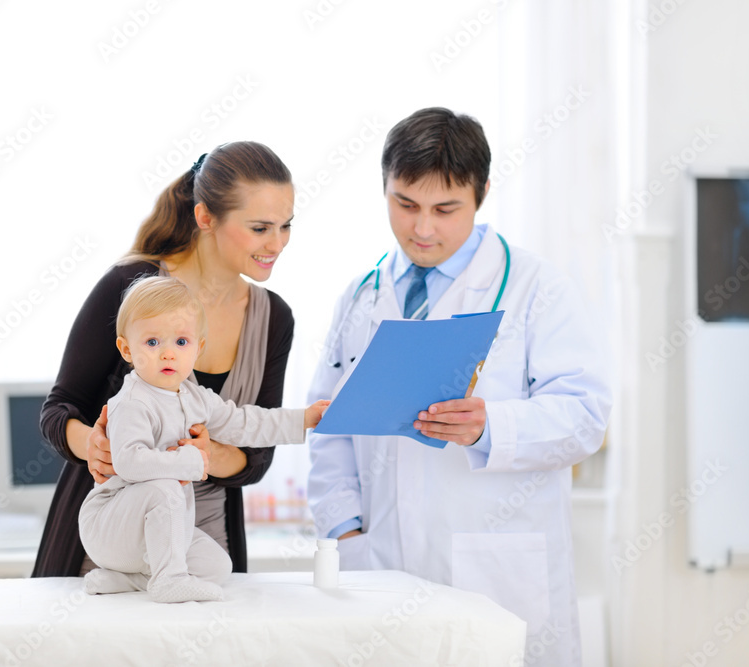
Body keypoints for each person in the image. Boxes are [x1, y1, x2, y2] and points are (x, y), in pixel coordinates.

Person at [306, 108, 612, 666]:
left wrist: (490, 426)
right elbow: (327, 425)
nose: (423, 228)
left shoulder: (536, 288)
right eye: (405, 204)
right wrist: (345, 531)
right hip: (380, 569)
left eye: (445, 209)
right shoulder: (360, 296)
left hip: (497, 573)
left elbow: (585, 417)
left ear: (482, 193)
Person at [33, 142, 297, 578]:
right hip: (112, 543)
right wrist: (95, 447)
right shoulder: (130, 285)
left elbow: (257, 456)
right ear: (206, 217)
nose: (277, 243)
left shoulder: (274, 319)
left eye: (286, 226)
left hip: (207, 540)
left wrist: (209, 453)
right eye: (260, 228)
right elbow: (58, 409)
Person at [79, 276, 329, 602]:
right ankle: (168, 581)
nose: (168, 354)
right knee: (165, 484)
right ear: (127, 349)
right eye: (152, 342)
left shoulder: (195, 397)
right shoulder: (131, 403)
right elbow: (128, 462)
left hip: (146, 538)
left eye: (181, 342)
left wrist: (303, 419)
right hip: (109, 528)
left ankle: (133, 578)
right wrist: (188, 461)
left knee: (217, 566)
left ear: (199, 348)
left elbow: (246, 422)